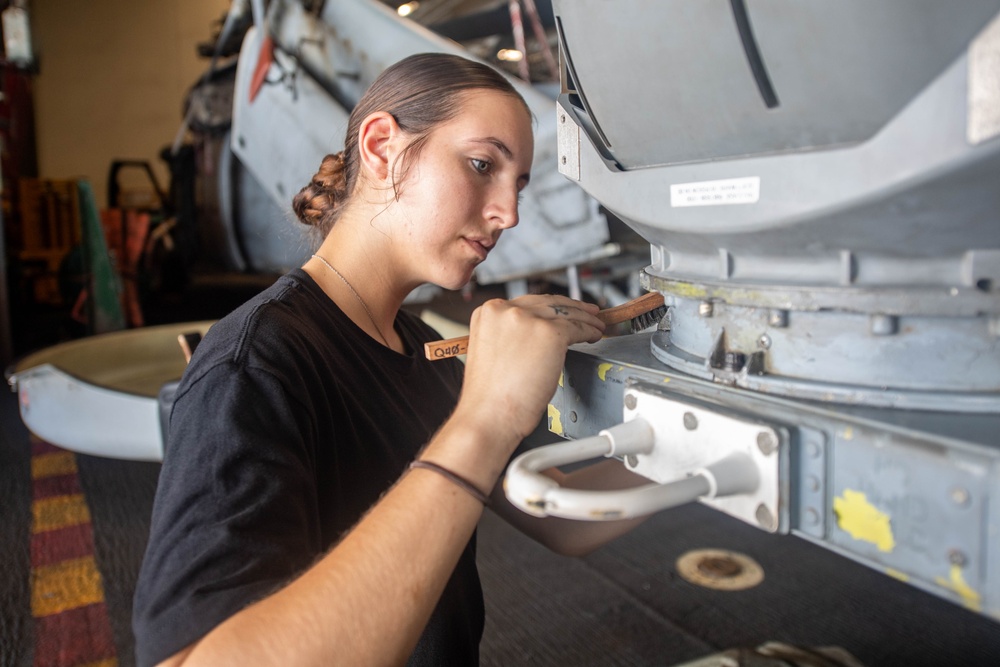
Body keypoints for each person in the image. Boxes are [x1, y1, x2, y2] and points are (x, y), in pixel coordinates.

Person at [133, 52, 646, 667]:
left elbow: (562, 514)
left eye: (518, 187)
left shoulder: (425, 349)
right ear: (381, 147)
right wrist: (485, 417)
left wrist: (709, 440)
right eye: (482, 165)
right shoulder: (254, 366)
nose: (507, 214)